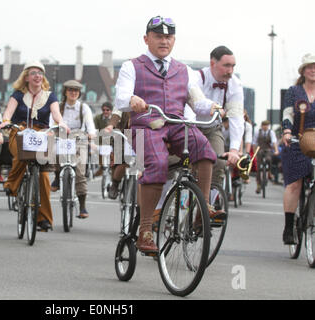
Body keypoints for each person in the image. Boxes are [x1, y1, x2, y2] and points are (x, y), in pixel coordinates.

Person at [114, 16, 224, 254]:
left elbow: (197, 100)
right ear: (147, 39)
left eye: (168, 37)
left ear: (174, 40)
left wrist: (212, 107)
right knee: (158, 162)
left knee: (205, 149)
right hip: (145, 124)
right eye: (158, 36)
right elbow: (120, 97)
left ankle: (202, 209)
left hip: (175, 122)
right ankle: (145, 231)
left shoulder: (184, 70)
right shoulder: (131, 66)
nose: (164, 41)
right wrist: (132, 100)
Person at [0, 61, 70, 232]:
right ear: (26, 77)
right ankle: (12, 185)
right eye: (33, 73)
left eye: (40, 73)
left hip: (41, 133)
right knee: (23, 153)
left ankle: (43, 219)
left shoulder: (50, 96)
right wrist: (6, 121)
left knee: (44, 177)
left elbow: (56, 114)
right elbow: (8, 112)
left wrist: (62, 124)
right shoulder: (17, 94)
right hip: (20, 131)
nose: (37, 76)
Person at [193, 46, 244, 187]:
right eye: (226, 65)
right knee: (180, 164)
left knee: (219, 163)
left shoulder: (235, 84)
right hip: (192, 127)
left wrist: (234, 150)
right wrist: (214, 107)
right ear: (212, 63)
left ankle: (208, 205)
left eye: (233, 66)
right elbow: (195, 103)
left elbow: (236, 116)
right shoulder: (197, 77)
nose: (230, 71)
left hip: (212, 128)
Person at [280, 53, 315, 245]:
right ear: (303, 70)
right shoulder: (294, 91)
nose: (313, 70)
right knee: (295, 184)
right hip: (298, 140)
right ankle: (288, 226)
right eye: (310, 66)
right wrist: (286, 131)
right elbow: (288, 113)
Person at [50, 80, 97, 218]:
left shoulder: (84, 108)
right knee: (54, 153)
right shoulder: (58, 106)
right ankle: (58, 178)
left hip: (79, 139)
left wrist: (91, 135)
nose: (73, 93)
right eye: (70, 90)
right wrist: (50, 132)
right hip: (62, 136)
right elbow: (51, 122)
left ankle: (82, 206)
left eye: (76, 91)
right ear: (65, 92)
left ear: (79, 93)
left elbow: (90, 124)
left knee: (80, 172)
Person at [252, 120, 279, 194]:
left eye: (266, 125)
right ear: (261, 126)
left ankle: (269, 172)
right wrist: (254, 153)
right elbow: (254, 143)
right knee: (258, 166)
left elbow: (274, 142)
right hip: (260, 149)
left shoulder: (271, 132)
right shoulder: (258, 132)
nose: (265, 127)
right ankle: (258, 184)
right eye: (264, 125)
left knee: (269, 159)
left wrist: (276, 150)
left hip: (268, 149)